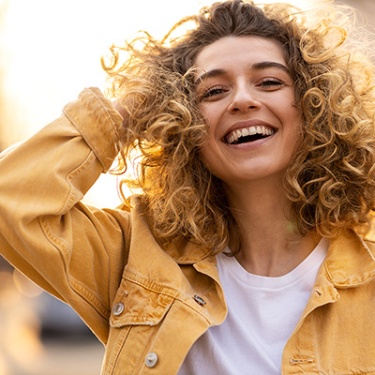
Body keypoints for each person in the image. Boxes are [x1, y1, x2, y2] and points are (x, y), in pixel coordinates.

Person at [1, 0, 375, 373]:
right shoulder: (136, 256)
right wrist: (135, 107)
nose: (243, 100)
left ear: (315, 105)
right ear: (183, 120)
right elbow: (11, 197)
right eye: (212, 92)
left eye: (270, 82)